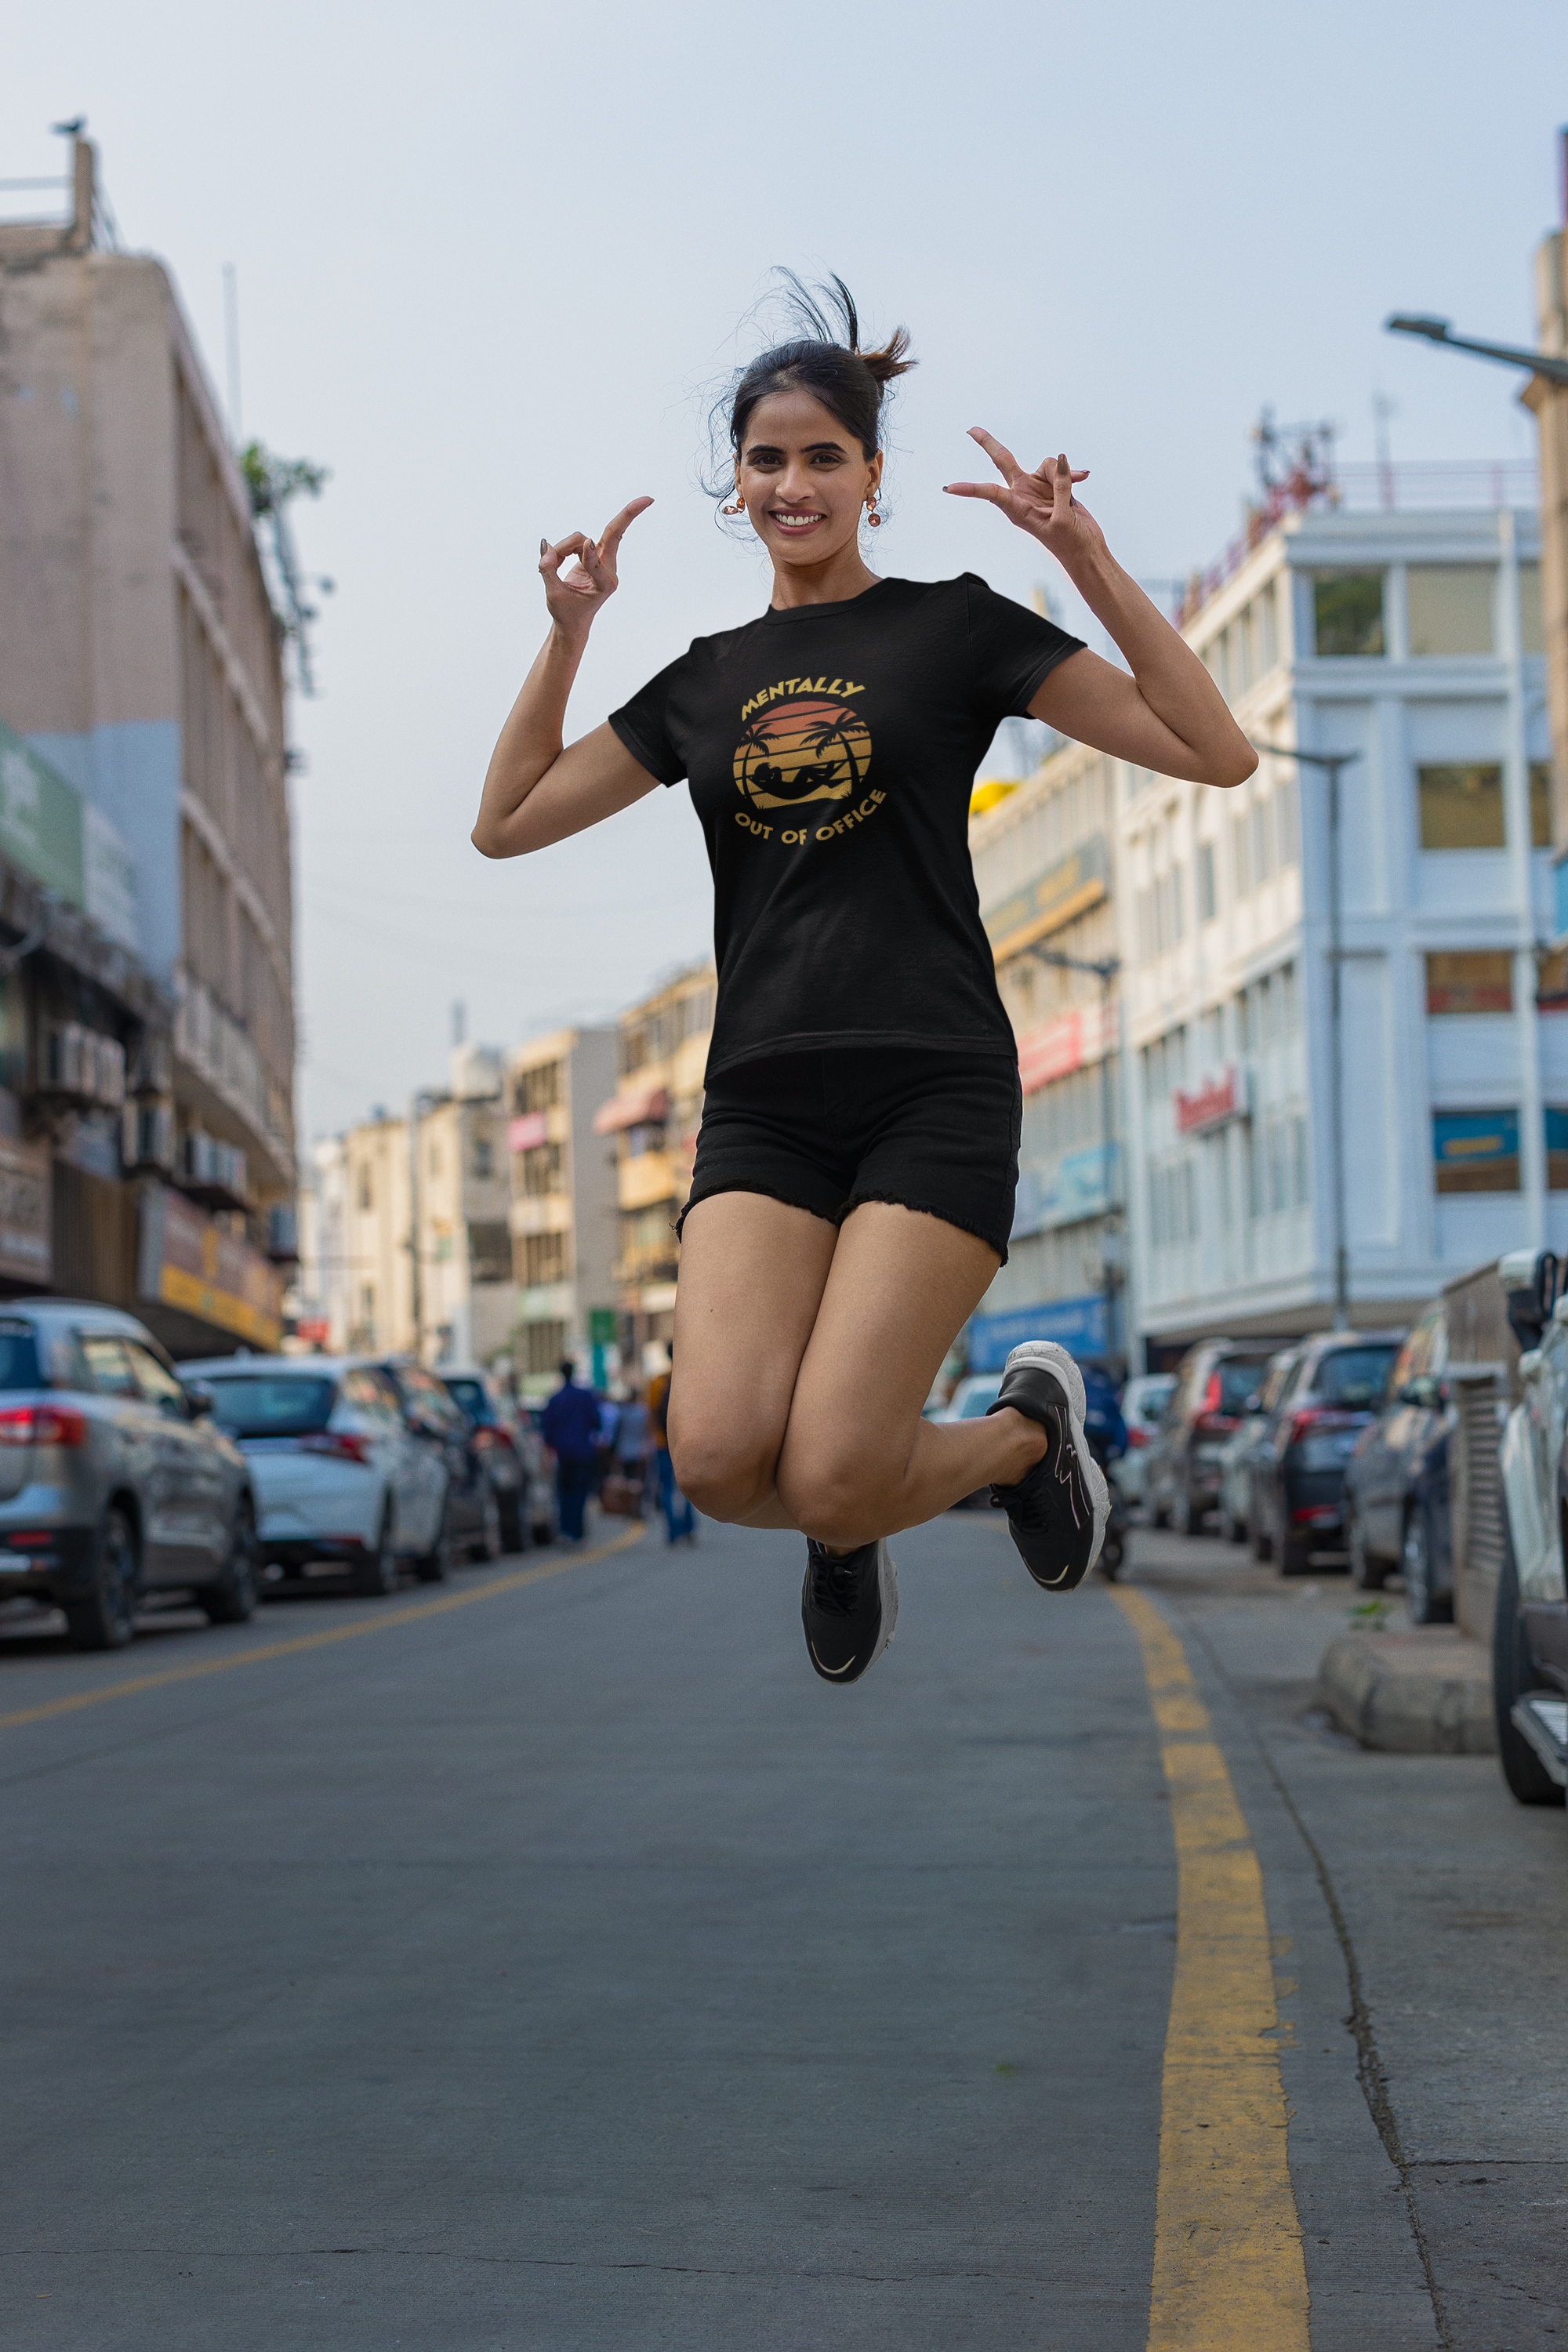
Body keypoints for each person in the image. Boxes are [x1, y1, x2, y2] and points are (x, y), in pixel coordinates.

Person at [474, 275, 1254, 1680]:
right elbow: (508, 818)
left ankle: (1019, 1442)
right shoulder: (706, 682)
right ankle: (902, 1492)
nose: (793, 483)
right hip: (764, 1099)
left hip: (931, 1086)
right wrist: (571, 629)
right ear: (737, 484)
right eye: (766, 459)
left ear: (872, 476)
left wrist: (1082, 557)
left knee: (833, 1471)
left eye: (823, 456)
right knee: (715, 1456)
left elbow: (1212, 750)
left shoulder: (954, 631)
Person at [540, 1358, 602, 1544]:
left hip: (564, 1453)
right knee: (580, 1492)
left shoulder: (555, 1398)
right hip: (583, 1452)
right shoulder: (585, 1396)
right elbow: (596, 1421)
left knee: (565, 1493)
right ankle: (577, 1531)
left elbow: (547, 1429)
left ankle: (567, 1531)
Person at [646, 1345, 695, 1545]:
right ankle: (688, 1529)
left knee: (666, 1487)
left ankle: (672, 1533)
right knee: (688, 1488)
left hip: (662, 1443)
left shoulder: (657, 1382)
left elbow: (650, 1413)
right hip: (686, 1442)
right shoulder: (690, 1378)